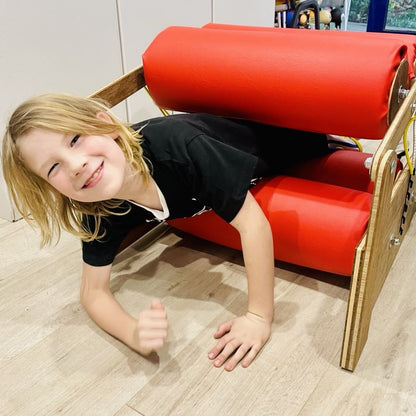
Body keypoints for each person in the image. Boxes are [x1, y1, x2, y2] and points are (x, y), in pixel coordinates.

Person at [2, 93, 329, 371]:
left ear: (107, 124)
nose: (75, 164)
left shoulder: (179, 147)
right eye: (53, 167)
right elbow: (93, 293)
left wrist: (258, 317)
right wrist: (133, 333)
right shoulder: (97, 203)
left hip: (297, 142)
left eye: (75, 139)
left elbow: (253, 225)